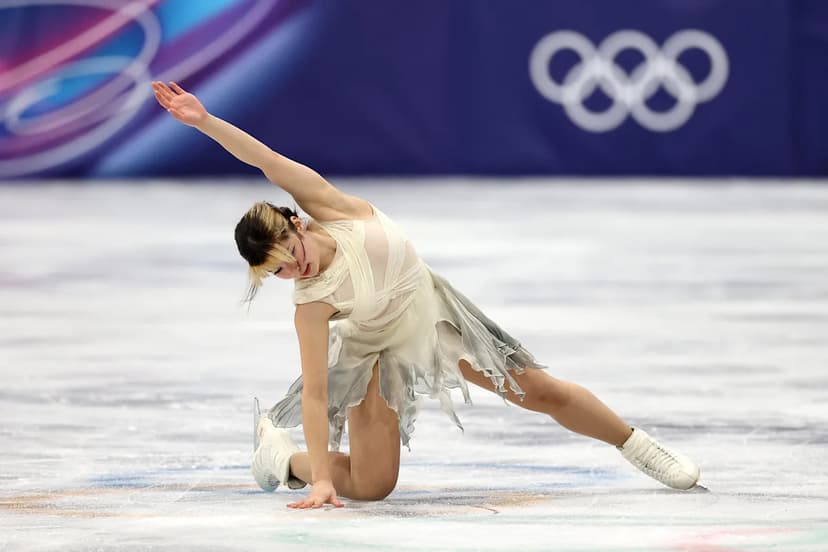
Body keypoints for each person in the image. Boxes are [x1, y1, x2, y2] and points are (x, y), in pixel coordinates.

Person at [151, 81, 701, 509]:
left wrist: (204, 123)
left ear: (296, 224)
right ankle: (283, 458)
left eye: (289, 252)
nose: (295, 268)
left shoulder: (332, 208)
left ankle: (638, 447)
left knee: (540, 390)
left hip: (431, 312)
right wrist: (319, 479)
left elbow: (265, 160)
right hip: (371, 353)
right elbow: (316, 396)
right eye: (279, 272)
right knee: (371, 487)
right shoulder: (311, 305)